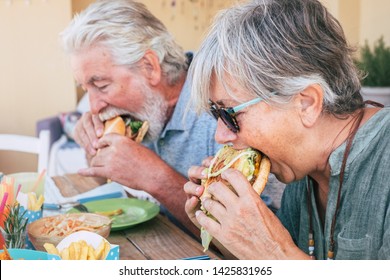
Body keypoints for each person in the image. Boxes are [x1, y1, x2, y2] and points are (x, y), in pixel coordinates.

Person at [184, 0, 390, 259]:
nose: (220, 135)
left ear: (306, 104)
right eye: (215, 113)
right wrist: (221, 229)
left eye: (230, 113)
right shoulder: (301, 173)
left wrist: (273, 251)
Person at [59, 0, 221, 234]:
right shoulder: (146, 110)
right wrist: (96, 152)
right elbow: (109, 193)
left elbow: (251, 245)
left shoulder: (221, 110)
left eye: (102, 85)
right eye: (87, 89)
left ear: (150, 67)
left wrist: (156, 178)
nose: (93, 107)